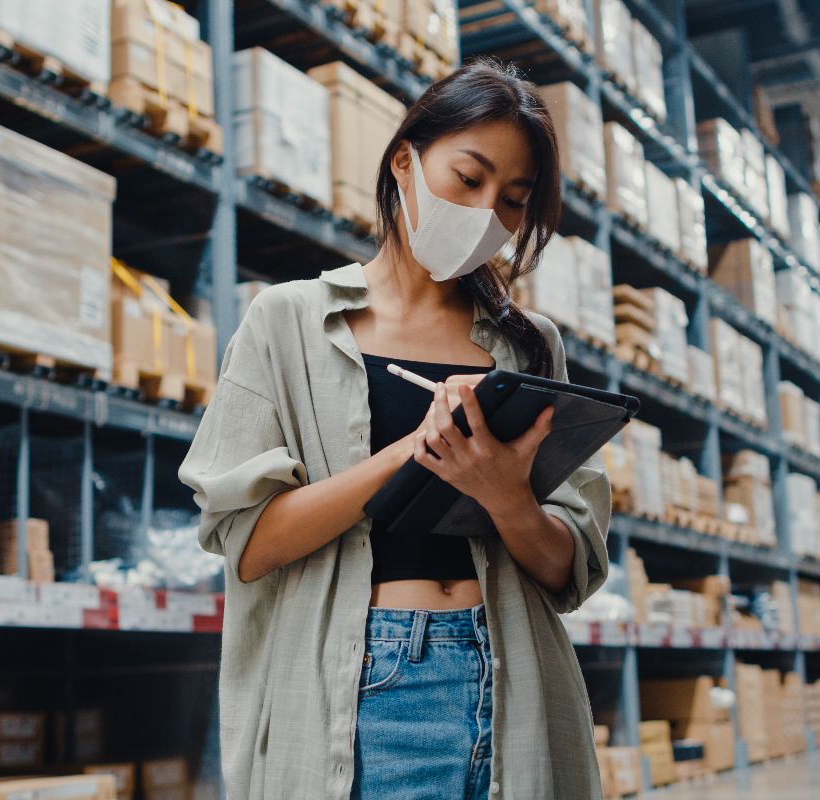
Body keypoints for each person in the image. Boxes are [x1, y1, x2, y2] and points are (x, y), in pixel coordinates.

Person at [179, 58, 611, 800]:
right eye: (468, 179)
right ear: (404, 162)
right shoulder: (290, 322)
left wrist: (507, 497)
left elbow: (567, 574)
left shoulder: (528, 346)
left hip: (511, 676)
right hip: (370, 688)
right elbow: (249, 545)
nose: (487, 216)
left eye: (513, 199)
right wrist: (419, 451)